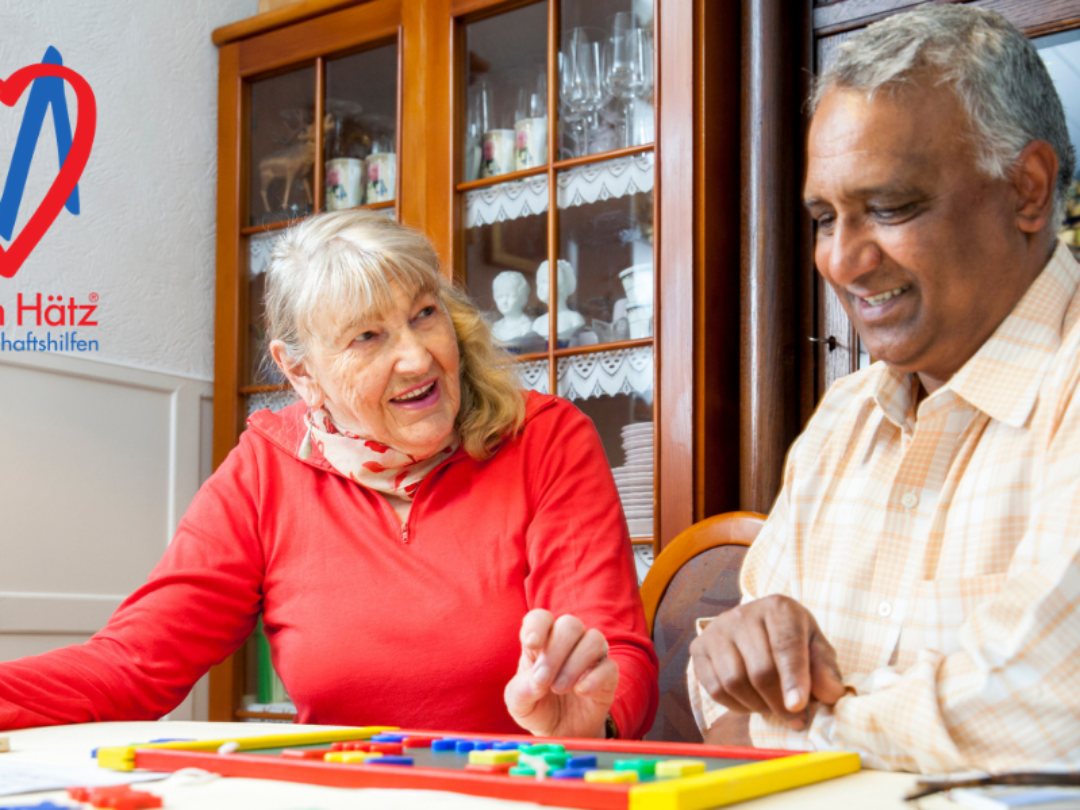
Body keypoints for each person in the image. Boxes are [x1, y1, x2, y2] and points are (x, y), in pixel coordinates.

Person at [0, 211, 658, 740]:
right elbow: (132, 667)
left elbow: (610, 650)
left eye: (423, 313)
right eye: (367, 337)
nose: (416, 357)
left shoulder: (546, 439)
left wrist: (592, 722)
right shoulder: (266, 470)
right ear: (300, 372)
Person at [689, 6, 1080, 774]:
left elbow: (1048, 713)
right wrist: (735, 659)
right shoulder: (843, 419)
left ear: (1028, 190)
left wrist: (808, 728)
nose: (842, 260)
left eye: (892, 208)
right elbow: (724, 715)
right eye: (823, 218)